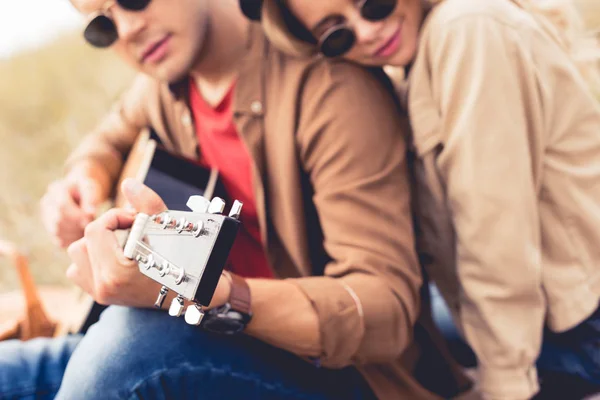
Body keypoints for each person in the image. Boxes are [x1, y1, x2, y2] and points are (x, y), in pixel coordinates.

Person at [0, 0, 473, 399]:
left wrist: (209, 291)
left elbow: (384, 310)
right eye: (102, 27)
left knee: (130, 349)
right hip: (204, 340)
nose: (127, 29)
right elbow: (111, 133)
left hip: (341, 376)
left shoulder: (332, 91)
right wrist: (82, 179)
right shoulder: (168, 84)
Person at [256, 0, 600, 398]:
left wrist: (505, 382)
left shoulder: (467, 30)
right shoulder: (413, 60)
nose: (367, 32)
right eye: (336, 34)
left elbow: (495, 234)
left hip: (571, 331)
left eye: (373, 5)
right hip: (531, 325)